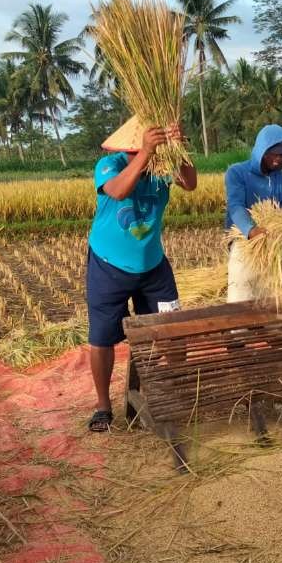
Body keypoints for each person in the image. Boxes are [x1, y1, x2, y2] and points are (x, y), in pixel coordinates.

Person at [86, 115, 197, 432]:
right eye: (140, 147)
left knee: (171, 329)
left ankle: (176, 393)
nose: (144, 152)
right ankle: (103, 407)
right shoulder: (109, 165)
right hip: (109, 265)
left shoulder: (164, 167)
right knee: (102, 338)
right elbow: (118, 191)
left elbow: (190, 183)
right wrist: (145, 154)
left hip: (153, 266)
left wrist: (179, 148)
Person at [224, 124, 282, 301]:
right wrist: (251, 230)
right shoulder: (237, 173)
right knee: (241, 302)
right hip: (245, 246)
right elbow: (235, 206)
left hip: (277, 249)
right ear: (262, 150)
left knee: (275, 304)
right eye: (275, 153)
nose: (279, 159)